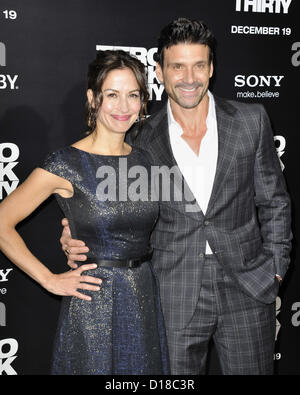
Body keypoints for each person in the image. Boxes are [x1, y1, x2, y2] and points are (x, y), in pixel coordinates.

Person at [61, 18, 292, 375]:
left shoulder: (251, 120)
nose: (189, 78)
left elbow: (274, 200)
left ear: (211, 68)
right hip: (172, 290)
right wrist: (72, 231)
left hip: (248, 286)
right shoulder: (137, 137)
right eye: (178, 67)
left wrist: (276, 268)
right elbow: (105, 202)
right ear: (160, 71)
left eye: (199, 65)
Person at [0, 50, 170, 375]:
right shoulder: (66, 164)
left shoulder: (148, 161)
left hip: (145, 297)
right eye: (112, 95)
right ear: (93, 99)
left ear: (143, 101)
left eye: (133, 95)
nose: (123, 106)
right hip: (94, 303)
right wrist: (49, 279)